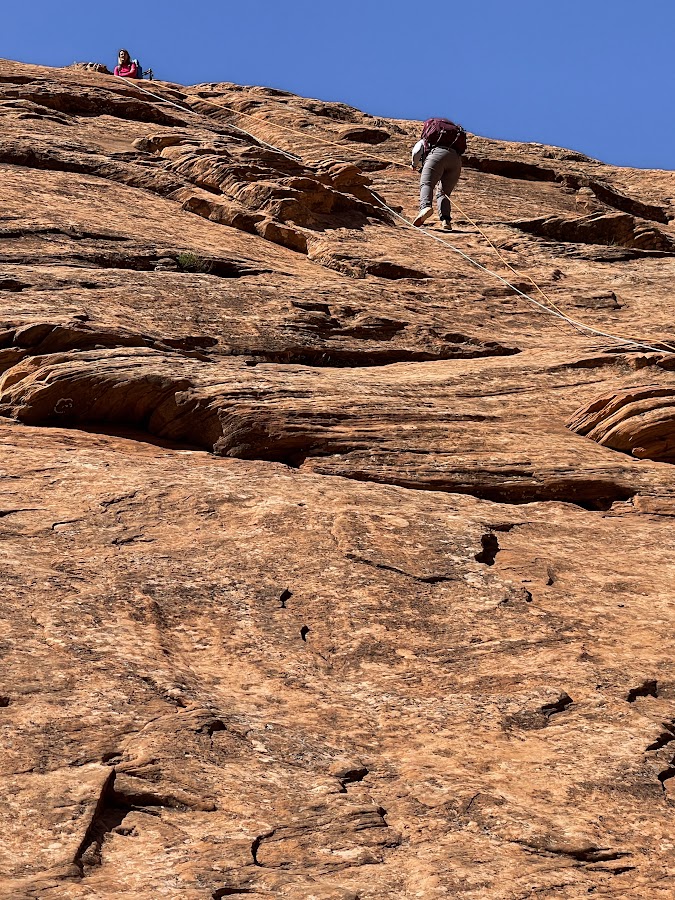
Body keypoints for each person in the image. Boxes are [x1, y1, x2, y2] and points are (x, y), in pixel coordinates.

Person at [410, 118, 464, 231]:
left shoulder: (427, 139)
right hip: (456, 160)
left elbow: (417, 151)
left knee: (427, 184)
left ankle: (425, 207)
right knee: (443, 193)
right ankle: (446, 220)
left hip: (437, 155)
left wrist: (414, 165)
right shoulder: (453, 138)